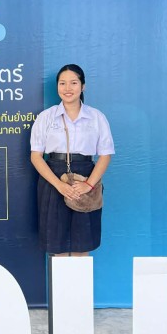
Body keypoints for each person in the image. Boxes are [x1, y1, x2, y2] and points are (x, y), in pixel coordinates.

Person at [30, 64, 114, 256]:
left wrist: (88, 185)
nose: (67, 88)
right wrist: (59, 186)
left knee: (82, 245)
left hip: (85, 178)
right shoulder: (46, 117)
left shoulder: (96, 117)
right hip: (53, 179)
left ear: (83, 86)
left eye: (73, 83)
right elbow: (36, 157)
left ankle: (80, 278)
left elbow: (105, 154)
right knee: (56, 246)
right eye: (62, 83)